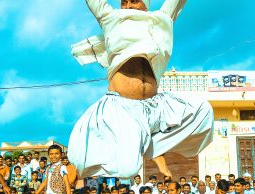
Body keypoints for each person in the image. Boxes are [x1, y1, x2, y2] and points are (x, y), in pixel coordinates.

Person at [68, 0, 214, 181]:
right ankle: (137, 145)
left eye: (134, 1)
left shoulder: (160, 19)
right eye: (124, 2)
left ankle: (146, 145)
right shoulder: (111, 18)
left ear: (145, 3)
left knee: (204, 112)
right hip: (122, 107)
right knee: (128, 171)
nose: (128, 6)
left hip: (155, 105)